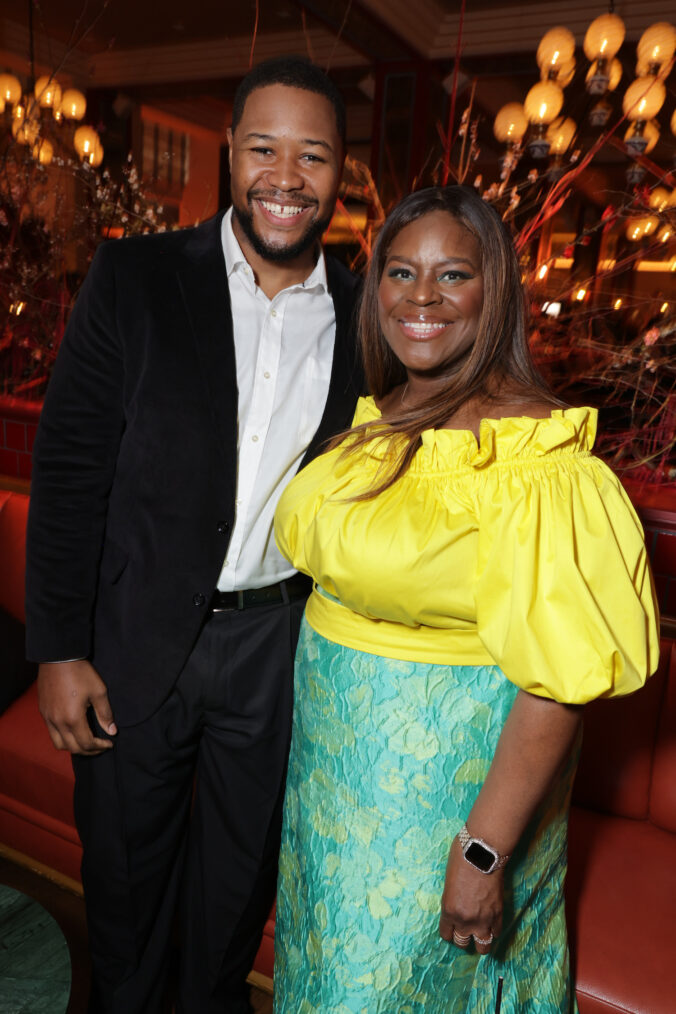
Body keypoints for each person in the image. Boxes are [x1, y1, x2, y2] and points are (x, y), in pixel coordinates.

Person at [25, 56, 362, 1014]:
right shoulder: (134, 277)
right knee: (126, 887)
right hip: (135, 641)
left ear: (340, 172)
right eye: (264, 148)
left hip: (278, 649)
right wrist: (57, 647)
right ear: (231, 151)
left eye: (313, 155)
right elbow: (70, 469)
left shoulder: (368, 309)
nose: (285, 177)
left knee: (235, 887)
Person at [272, 185, 660, 1012]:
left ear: (497, 292)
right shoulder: (382, 417)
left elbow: (558, 680)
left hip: (439, 809)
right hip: (336, 799)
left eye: (453, 275)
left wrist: (483, 852)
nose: (421, 296)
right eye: (401, 272)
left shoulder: (534, 460)